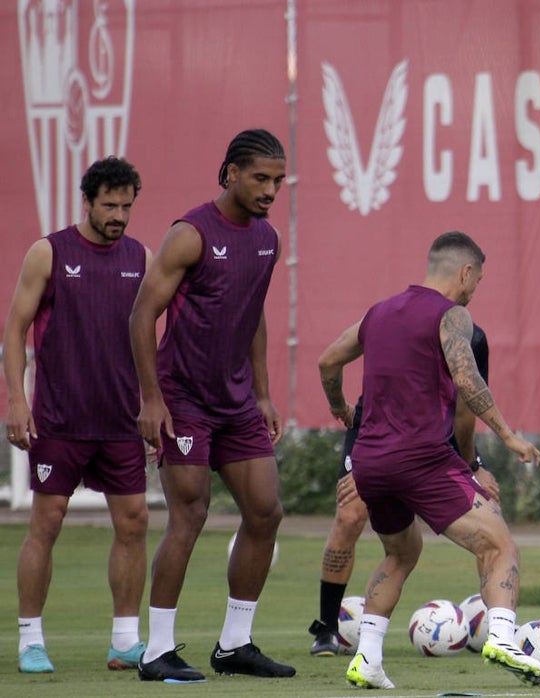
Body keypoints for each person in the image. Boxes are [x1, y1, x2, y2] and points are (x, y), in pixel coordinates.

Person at [317, 231, 540, 689]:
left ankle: (367, 659)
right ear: (465, 272)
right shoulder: (453, 315)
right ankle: (503, 638)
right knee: (500, 545)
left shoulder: (378, 313)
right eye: (476, 281)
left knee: (401, 552)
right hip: (421, 459)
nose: (473, 291)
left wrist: (339, 409)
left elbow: (328, 361)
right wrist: (507, 436)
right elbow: (467, 378)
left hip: (370, 462)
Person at [128, 129, 294, 682]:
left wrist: (265, 391)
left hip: (238, 402)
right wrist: (152, 399)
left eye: (277, 180)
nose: (270, 189)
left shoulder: (268, 239)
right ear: (229, 173)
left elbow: (254, 314)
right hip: (184, 401)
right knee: (190, 514)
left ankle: (235, 644)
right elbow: (140, 315)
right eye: (260, 178)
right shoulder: (190, 234)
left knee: (266, 511)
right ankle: (157, 651)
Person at [4, 157, 150, 674]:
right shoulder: (50, 252)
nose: (118, 215)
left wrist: (155, 403)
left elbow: (154, 338)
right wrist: (17, 401)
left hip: (120, 422)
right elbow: (15, 329)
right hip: (60, 418)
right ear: (86, 202)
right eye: (109, 205)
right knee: (47, 522)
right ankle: (30, 642)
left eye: (126, 206)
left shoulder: (142, 257)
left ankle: (125, 641)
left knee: (134, 522)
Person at [307, 324, 499, 656]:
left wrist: (475, 465)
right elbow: (330, 360)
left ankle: (497, 630)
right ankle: (326, 629)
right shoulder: (391, 322)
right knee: (350, 515)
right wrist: (369, 460)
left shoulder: (473, 337)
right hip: (376, 427)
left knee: (492, 515)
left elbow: (467, 412)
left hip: (437, 432)